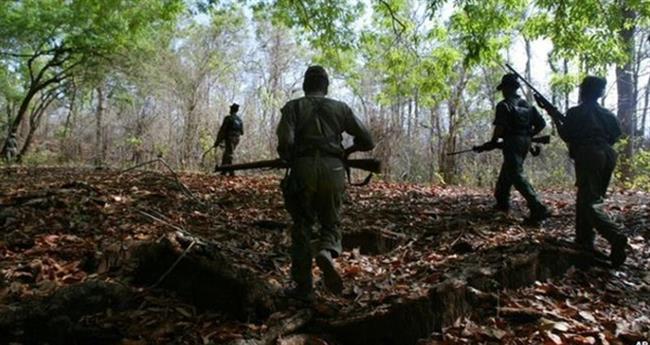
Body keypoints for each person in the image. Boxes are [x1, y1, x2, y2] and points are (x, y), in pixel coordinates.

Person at [276, 65, 375, 300]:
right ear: (326, 86)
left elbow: (285, 141)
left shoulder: (293, 107)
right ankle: (326, 251)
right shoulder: (341, 108)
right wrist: (347, 151)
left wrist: (289, 156)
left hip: (303, 168)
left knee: (302, 226)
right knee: (332, 222)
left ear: (304, 85)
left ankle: (304, 288)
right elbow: (367, 140)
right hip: (334, 169)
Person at [535, 76, 627, 266]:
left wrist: (553, 115)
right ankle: (585, 241)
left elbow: (566, 134)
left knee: (590, 202)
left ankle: (615, 235)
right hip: (608, 154)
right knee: (587, 197)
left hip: (590, 154)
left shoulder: (576, 112)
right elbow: (616, 136)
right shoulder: (607, 114)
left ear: (584, 90)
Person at [477, 73, 550, 224]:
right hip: (525, 142)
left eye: (504, 88)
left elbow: (500, 127)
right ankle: (502, 201)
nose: (503, 91)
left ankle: (538, 207)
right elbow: (541, 124)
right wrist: (528, 135)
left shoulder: (504, 105)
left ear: (509, 88)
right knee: (509, 170)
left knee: (516, 174)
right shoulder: (528, 106)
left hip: (512, 142)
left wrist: (492, 142)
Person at [214, 103, 244, 176]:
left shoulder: (228, 118)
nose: (229, 110)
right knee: (227, 154)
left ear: (231, 110)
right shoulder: (240, 120)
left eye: (230, 109)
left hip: (230, 138)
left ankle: (231, 172)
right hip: (237, 139)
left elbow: (222, 130)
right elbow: (242, 132)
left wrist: (217, 141)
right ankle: (223, 171)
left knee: (229, 154)